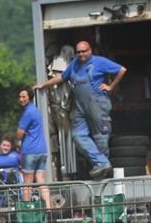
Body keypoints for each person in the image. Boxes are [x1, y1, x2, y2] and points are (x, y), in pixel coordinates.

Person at [33, 41, 127, 179]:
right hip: (79, 106)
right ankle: (102, 163)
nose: (81, 54)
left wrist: (111, 86)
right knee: (78, 135)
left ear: (90, 51)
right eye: (79, 52)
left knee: (100, 137)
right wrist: (43, 85)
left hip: (97, 103)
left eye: (84, 51)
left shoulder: (100, 62)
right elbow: (61, 77)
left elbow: (121, 70)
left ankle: (102, 169)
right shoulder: (74, 64)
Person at [16, 87, 51, 209]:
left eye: (24, 96)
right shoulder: (37, 110)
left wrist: (21, 134)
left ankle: (27, 209)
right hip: (42, 150)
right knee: (41, 179)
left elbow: (19, 133)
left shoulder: (27, 113)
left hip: (30, 150)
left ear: (30, 97)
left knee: (27, 182)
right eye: (20, 97)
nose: (21, 99)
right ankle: (48, 207)